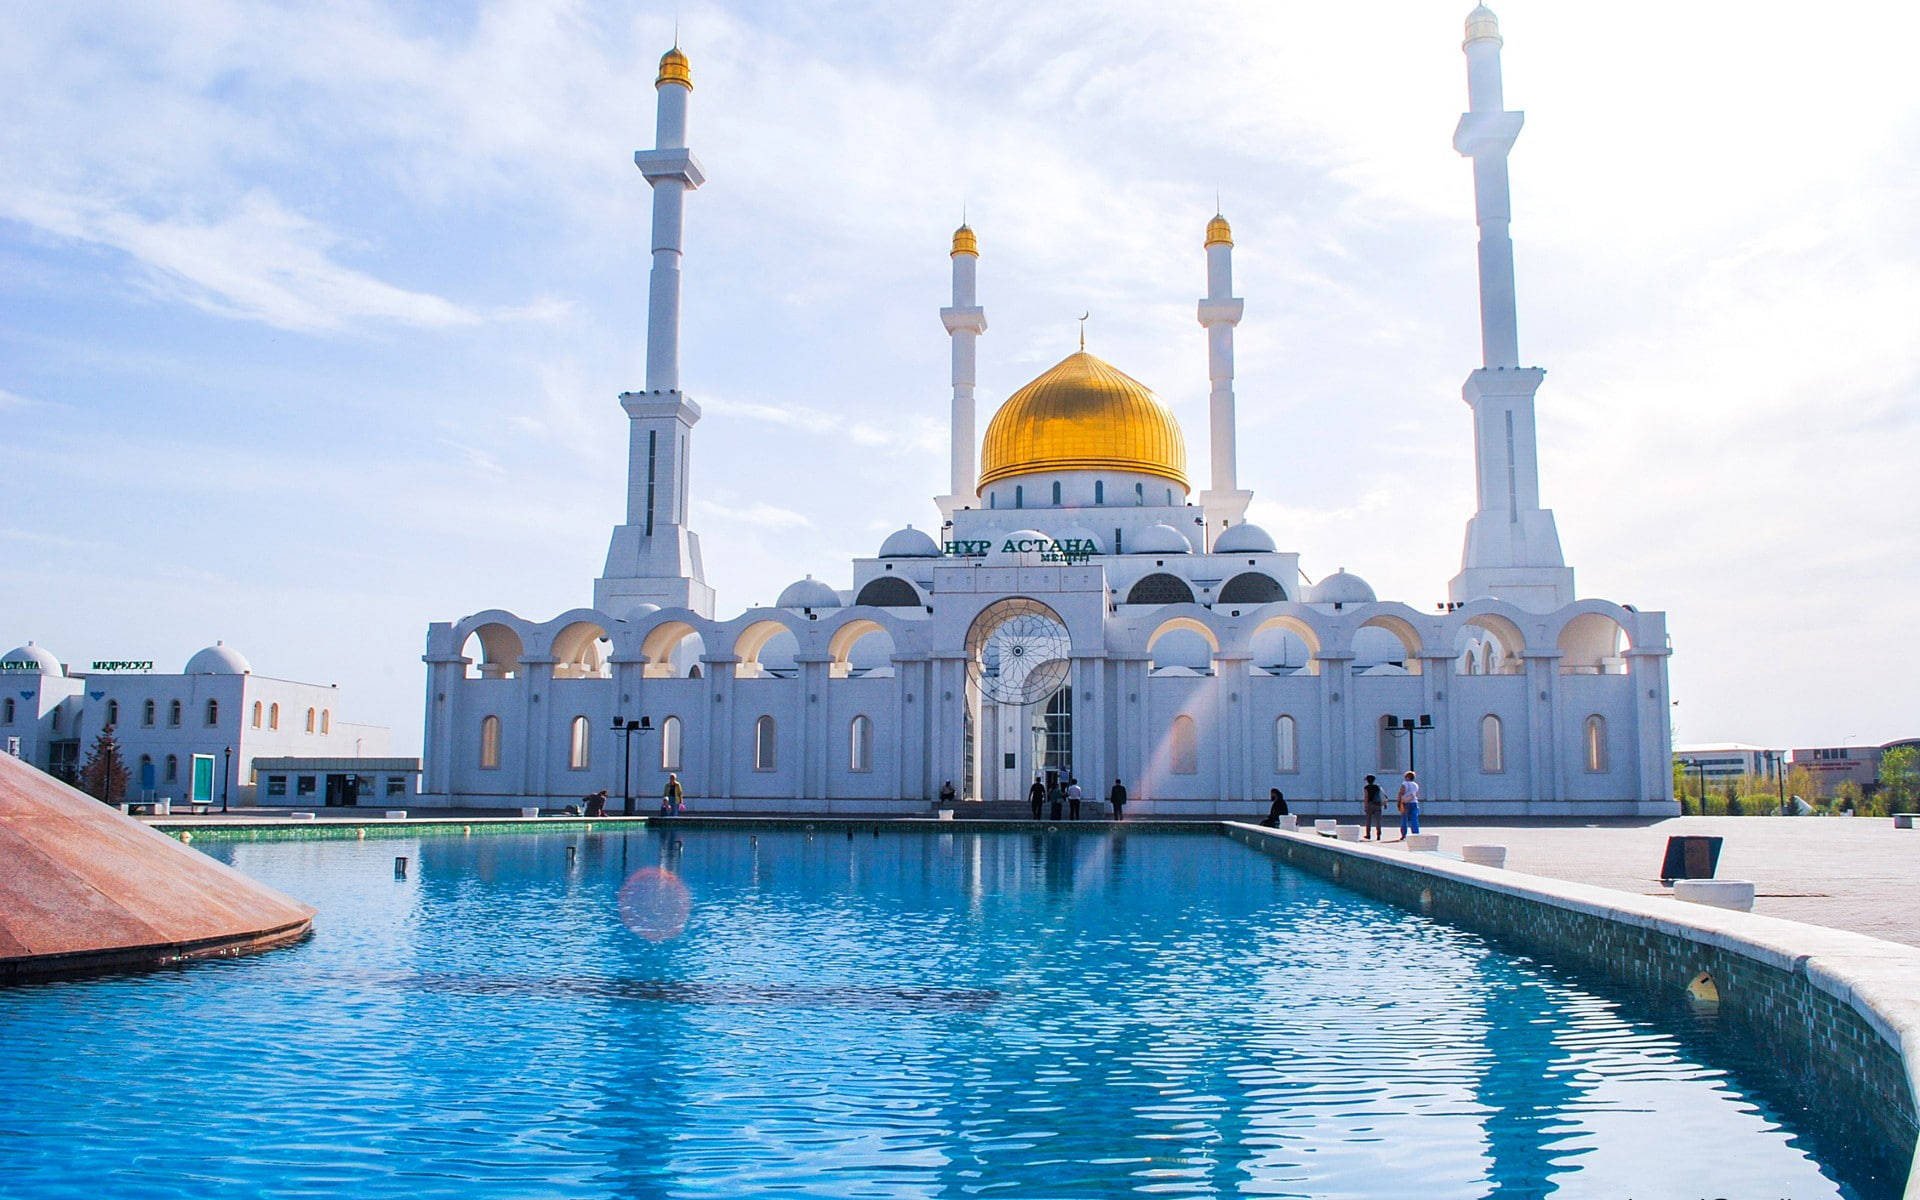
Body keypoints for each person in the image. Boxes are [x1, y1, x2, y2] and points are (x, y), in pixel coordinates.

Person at [1396, 770, 1421, 839]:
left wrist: (1398, 802)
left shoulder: (1404, 784)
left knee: (1404, 819)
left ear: (1407, 777)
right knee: (1414, 819)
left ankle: (1404, 835)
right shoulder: (1416, 785)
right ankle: (1415, 833)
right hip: (1414, 802)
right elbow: (1416, 794)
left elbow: (1401, 793)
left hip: (1405, 803)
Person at [1361, 775, 1384, 840]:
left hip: (1370, 804)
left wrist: (1365, 806)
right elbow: (1382, 795)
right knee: (1378, 820)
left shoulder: (1366, 787)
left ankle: (1368, 834)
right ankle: (1378, 834)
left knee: (1368, 820)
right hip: (1377, 804)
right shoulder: (1377, 787)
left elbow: (1366, 797)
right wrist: (1384, 804)